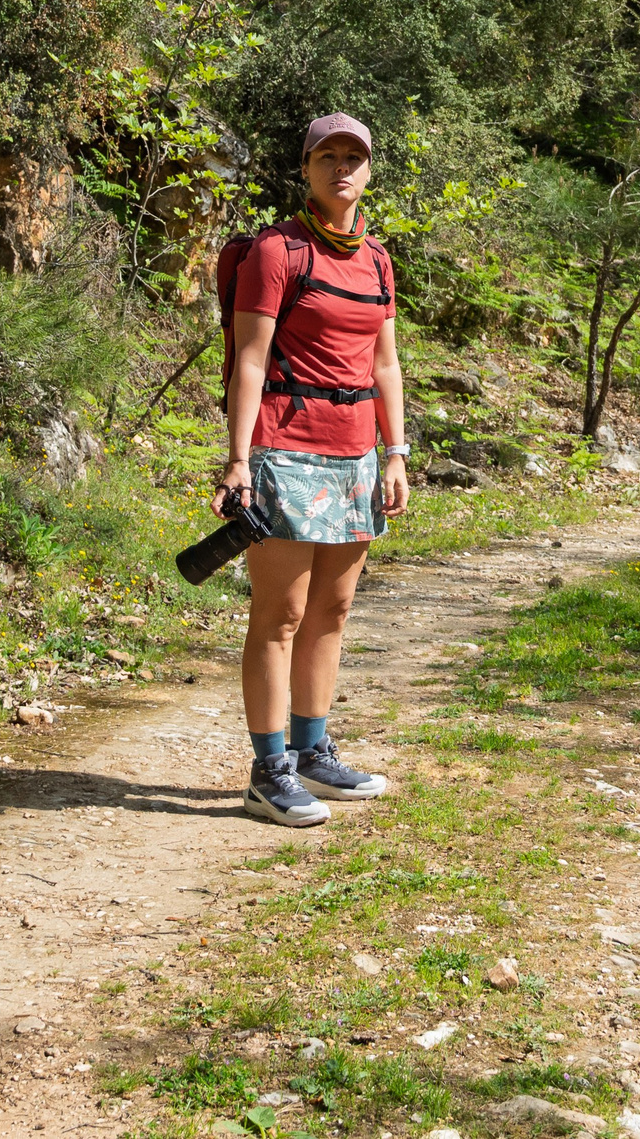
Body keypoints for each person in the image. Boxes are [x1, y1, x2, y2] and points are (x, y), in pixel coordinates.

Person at [216, 112, 411, 827]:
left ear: (370, 169)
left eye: (354, 156)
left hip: (358, 454)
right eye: (327, 155)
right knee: (281, 614)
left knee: (331, 610)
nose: (342, 167)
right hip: (285, 449)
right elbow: (249, 359)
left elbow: (385, 363)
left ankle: (312, 750)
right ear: (306, 168)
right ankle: (270, 771)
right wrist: (239, 460)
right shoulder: (277, 251)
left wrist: (396, 451)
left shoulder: (378, 261)